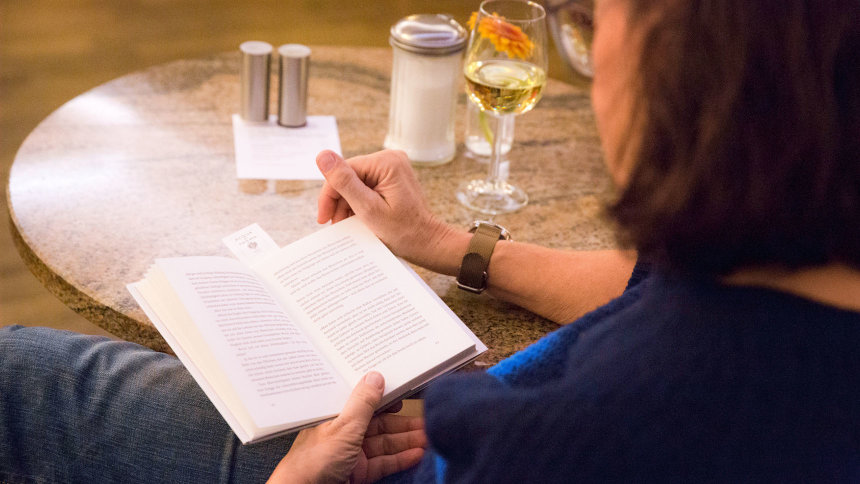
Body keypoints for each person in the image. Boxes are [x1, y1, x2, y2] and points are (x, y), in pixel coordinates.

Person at [2, 0, 859, 481]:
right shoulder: (799, 274)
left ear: (698, 68)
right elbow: (656, 284)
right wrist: (446, 244)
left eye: (594, 26)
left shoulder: (590, 441)